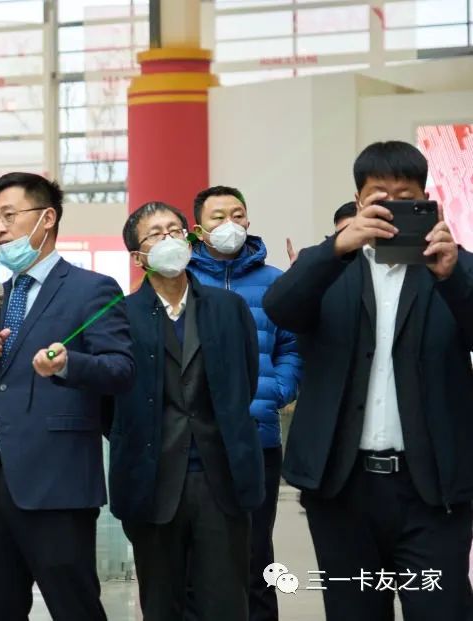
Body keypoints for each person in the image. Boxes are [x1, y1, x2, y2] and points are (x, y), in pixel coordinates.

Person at [263, 141, 473, 620]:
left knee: (442, 610)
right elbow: (280, 308)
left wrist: (453, 275)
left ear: (426, 200)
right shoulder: (328, 268)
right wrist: (335, 247)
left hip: (433, 492)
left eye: (406, 197)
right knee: (352, 611)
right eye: (380, 196)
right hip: (343, 490)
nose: (393, 208)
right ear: (359, 201)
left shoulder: (452, 268)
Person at [0, 172, 134, 621]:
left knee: (75, 609)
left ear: (47, 218)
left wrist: (69, 364)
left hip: (58, 484)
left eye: (9, 216)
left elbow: (121, 370)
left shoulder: (92, 289)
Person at [107, 201, 263, 621]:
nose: (169, 239)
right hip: (151, 479)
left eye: (175, 230)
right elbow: (109, 403)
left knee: (226, 602)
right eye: (155, 234)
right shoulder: (122, 315)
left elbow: (245, 379)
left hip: (220, 476)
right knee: (161, 603)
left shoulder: (228, 308)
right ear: (138, 257)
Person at [187, 186, 301, 621]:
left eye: (237, 214)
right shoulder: (183, 280)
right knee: (198, 558)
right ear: (198, 228)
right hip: (196, 443)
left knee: (257, 556)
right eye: (218, 217)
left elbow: (292, 346)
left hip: (257, 436)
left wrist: (275, 391)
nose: (229, 224)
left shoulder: (275, 282)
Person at [287, 201, 359, 264]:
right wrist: (298, 270)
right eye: (338, 235)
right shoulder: (331, 264)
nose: (343, 241)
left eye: (348, 233)